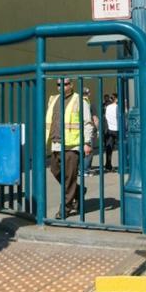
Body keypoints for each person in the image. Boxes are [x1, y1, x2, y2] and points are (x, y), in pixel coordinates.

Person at [44, 78, 93, 218]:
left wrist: (87, 142)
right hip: (56, 143)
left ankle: (66, 207)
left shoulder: (79, 100)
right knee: (55, 171)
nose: (61, 87)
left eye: (65, 84)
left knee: (70, 177)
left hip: (73, 145)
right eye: (58, 84)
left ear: (71, 85)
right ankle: (77, 191)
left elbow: (87, 123)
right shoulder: (53, 100)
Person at [103, 93, 119, 171]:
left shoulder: (108, 107)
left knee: (109, 148)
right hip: (118, 129)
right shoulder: (118, 107)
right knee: (121, 147)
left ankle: (108, 165)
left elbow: (106, 116)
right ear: (116, 99)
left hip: (109, 129)